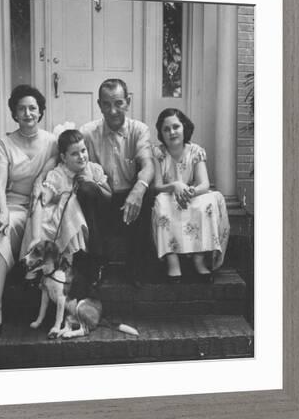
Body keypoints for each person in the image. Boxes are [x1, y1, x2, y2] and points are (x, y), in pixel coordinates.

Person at [0, 85, 58, 346]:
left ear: (40, 112)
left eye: (32, 108)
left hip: (32, 208)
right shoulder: (5, 143)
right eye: (21, 108)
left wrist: (41, 181)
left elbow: (55, 170)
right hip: (5, 203)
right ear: (14, 113)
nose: (27, 113)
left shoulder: (52, 141)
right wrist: (3, 211)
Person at [80, 78, 154, 285]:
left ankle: (137, 266)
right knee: (84, 189)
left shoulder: (139, 130)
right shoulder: (87, 132)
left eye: (118, 103)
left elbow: (148, 165)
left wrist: (138, 190)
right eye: (106, 104)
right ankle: (96, 262)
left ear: (128, 102)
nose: (112, 111)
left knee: (147, 191)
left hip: (128, 202)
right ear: (99, 105)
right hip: (101, 199)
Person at [151, 108, 230, 283]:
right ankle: (173, 262)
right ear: (161, 133)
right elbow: (157, 186)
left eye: (176, 127)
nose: (172, 132)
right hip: (169, 195)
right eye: (166, 129)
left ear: (184, 128)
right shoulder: (158, 154)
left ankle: (199, 258)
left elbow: (204, 184)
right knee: (162, 203)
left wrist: (189, 191)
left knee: (208, 201)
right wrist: (175, 185)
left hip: (192, 194)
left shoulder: (196, 151)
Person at [20, 129, 111, 258]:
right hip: (67, 222)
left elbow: (109, 195)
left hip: (94, 220)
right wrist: (35, 237)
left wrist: (94, 183)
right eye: (74, 154)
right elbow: (41, 200)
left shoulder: (94, 169)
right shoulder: (58, 174)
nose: (81, 156)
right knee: (70, 203)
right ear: (63, 157)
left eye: (83, 150)